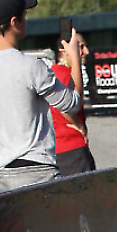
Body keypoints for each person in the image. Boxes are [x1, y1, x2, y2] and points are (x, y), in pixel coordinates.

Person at [0, 0, 83, 194]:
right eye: (24, 16)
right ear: (14, 22)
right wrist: (75, 58)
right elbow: (72, 103)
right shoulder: (31, 66)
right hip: (38, 172)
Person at [51, 32, 96, 176]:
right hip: (72, 149)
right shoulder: (64, 74)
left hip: (58, 149)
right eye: (80, 47)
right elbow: (64, 105)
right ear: (64, 50)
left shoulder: (53, 72)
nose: (86, 51)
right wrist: (79, 125)